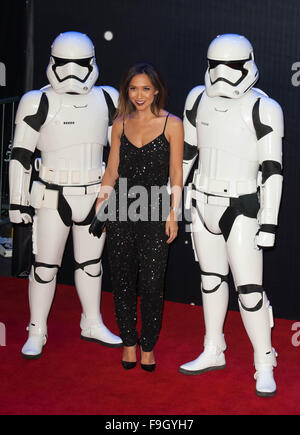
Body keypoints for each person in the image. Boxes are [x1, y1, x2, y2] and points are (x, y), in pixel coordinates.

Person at [179, 34, 283, 396]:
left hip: (240, 207)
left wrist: (268, 221)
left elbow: (272, 169)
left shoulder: (263, 107)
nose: (222, 76)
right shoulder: (196, 98)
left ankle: (264, 361)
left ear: (248, 65)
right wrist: (174, 198)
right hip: (202, 202)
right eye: (216, 67)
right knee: (210, 279)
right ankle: (213, 347)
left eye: (232, 67)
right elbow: (187, 154)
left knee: (250, 291)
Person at [9, 31, 122, 359]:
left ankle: (92, 321)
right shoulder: (38, 100)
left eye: (80, 64)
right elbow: (21, 154)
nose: (72, 72)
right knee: (44, 266)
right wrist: (17, 201)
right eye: (64, 64)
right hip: (52, 194)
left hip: (93, 193)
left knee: (91, 264)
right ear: (52, 63)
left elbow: (118, 152)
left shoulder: (107, 98)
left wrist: (116, 194)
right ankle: (37, 329)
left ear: (92, 63)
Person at [90, 62, 183, 371]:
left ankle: (148, 345)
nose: (139, 95)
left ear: (156, 90)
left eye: (145, 88)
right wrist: (101, 209)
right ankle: (129, 342)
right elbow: (111, 172)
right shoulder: (119, 124)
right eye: (133, 88)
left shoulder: (172, 124)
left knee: (153, 284)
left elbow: (175, 174)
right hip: (121, 210)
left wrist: (174, 213)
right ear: (126, 91)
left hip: (156, 208)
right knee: (124, 282)